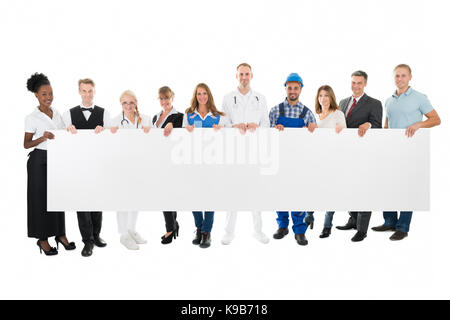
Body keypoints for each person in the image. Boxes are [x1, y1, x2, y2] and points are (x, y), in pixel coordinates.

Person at [371, 64, 441, 240]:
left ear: (410, 77)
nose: (400, 79)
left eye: (403, 76)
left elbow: (436, 119)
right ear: (393, 78)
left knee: (406, 188)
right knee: (387, 185)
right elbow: (388, 120)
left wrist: (419, 124)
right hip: (390, 150)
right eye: (397, 76)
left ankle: (402, 227)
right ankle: (389, 221)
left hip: (410, 151)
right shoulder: (389, 100)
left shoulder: (419, 98)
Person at [24, 73, 76, 256]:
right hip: (39, 161)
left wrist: (69, 130)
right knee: (40, 201)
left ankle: (60, 234)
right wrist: (42, 137)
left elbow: (63, 134)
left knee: (58, 197)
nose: (48, 97)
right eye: (44, 94)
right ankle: (43, 239)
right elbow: (26, 144)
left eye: (51, 93)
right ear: (36, 96)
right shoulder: (32, 117)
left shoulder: (58, 113)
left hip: (57, 159)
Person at [220, 63, 270, 245]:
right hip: (234, 151)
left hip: (254, 150)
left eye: (247, 74)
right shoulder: (227, 98)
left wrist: (257, 127)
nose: (244, 77)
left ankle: (258, 230)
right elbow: (223, 123)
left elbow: (266, 122)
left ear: (252, 76)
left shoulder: (260, 98)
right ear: (236, 76)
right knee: (233, 190)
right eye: (241, 74)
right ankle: (228, 232)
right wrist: (234, 126)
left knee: (255, 190)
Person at [269, 73, 317, 246]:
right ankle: (282, 227)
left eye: (296, 88)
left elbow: (316, 140)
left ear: (301, 89)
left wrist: (313, 128)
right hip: (279, 161)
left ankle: (299, 231)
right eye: (290, 87)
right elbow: (266, 137)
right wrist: (275, 129)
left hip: (299, 162)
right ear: (286, 88)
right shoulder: (275, 111)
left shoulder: (307, 113)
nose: (292, 91)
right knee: (280, 193)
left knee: (298, 195)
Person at [63, 78, 109, 257]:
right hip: (78, 165)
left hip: (99, 165)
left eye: (90, 91)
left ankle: (96, 236)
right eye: (84, 91)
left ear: (95, 91)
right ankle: (87, 241)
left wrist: (103, 131)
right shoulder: (68, 114)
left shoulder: (104, 113)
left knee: (97, 202)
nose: (87, 94)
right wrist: (68, 130)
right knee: (82, 203)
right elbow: (61, 140)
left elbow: (112, 140)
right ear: (79, 92)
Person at [335, 70, 383, 242]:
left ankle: (362, 230)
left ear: (365, 84)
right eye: (353, 82)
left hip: (365, 153)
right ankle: (353, 220)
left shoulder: (374, 103)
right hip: (346, 153)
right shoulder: (342, 102)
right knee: (349, 187)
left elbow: (377, 126)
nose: (355, 86)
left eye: (359, 83)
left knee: (364, 189)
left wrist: (368, 123)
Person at [183, 83, 231, 248]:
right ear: (195, 96)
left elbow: (231, 138)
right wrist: (185, 131)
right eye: (199, 94)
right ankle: (199, 227)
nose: (202, 96)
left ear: (209, 95)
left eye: (204, 93)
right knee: (194, 197)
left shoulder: (219, 116)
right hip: (193, 162)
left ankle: (206, 232)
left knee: (210, 197)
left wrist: (221, 131)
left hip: (212, 163)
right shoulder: (188, 115)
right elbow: (180, 140)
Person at [109, 90, 151, 249]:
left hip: (139, 165)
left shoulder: (145, 120)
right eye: (124, 103)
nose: (128, 106)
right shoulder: (114, 121)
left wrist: (149, 132)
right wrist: (107, 131)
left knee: (136, 198)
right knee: (122, 198)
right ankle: (123, 235)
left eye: (131, 102)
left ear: (136, 103)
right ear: (121, 104)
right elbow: (104, 141)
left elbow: (155, 140)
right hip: (121, 166)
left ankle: (132, 229)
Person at [306, 85, 347, 238]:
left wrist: (340, 130)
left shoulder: (338, 114)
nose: (323, 98)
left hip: (333, 160)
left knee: (331, 192)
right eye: (321, 95)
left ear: (331, 98)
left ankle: (327, 225)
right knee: (312, 189)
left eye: (326, 95)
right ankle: (309, 216)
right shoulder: (314, 115)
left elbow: (344, 133)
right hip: (316, 159)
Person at [151, 86, 184, 244]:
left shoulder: (179, 116)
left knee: (168, 195)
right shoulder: (155, 117)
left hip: (173, 161)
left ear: (173, 97)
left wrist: (172, 125)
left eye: (167, 98)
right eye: (161, 98)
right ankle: (174, 225)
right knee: (163, 194)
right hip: (159, 160)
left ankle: (170, 228)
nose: (164, 101)